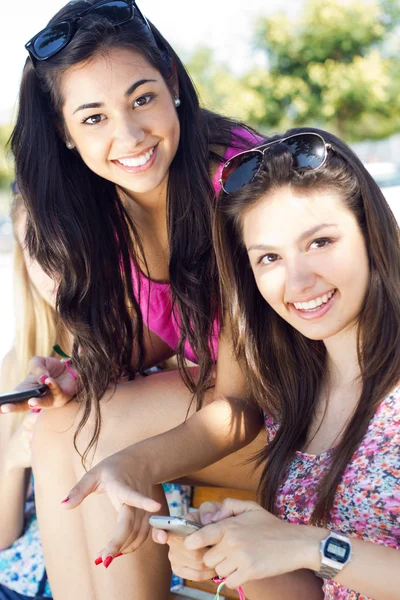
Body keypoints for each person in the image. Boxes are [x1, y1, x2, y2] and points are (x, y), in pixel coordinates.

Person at [6, 2, 281, 599]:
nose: (128, 136)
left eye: (141, 99)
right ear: (64, 132)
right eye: (94, 117)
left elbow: (246, 401)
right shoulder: (111, 202)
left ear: (174, 86)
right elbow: (172, 328)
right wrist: (80, 372)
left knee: (101, 435)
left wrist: (136, 458)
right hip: (225, 409)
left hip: (305, 413)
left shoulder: (234, 182)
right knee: (60, 424)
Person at [151, 128, 400, 599]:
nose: (298, 280)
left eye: (321, 242)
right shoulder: (294, 398)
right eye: (269, 257)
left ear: (370, 231)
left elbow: (316, 552)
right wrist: (237, 549)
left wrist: (313, 546)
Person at [0, 189, 70, 599]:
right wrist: (14, 459)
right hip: (18, 579)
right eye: (38, 251)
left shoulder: (163, 352)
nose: (57, 268)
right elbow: (3, 535)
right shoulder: (19, 359)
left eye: (70, 242)